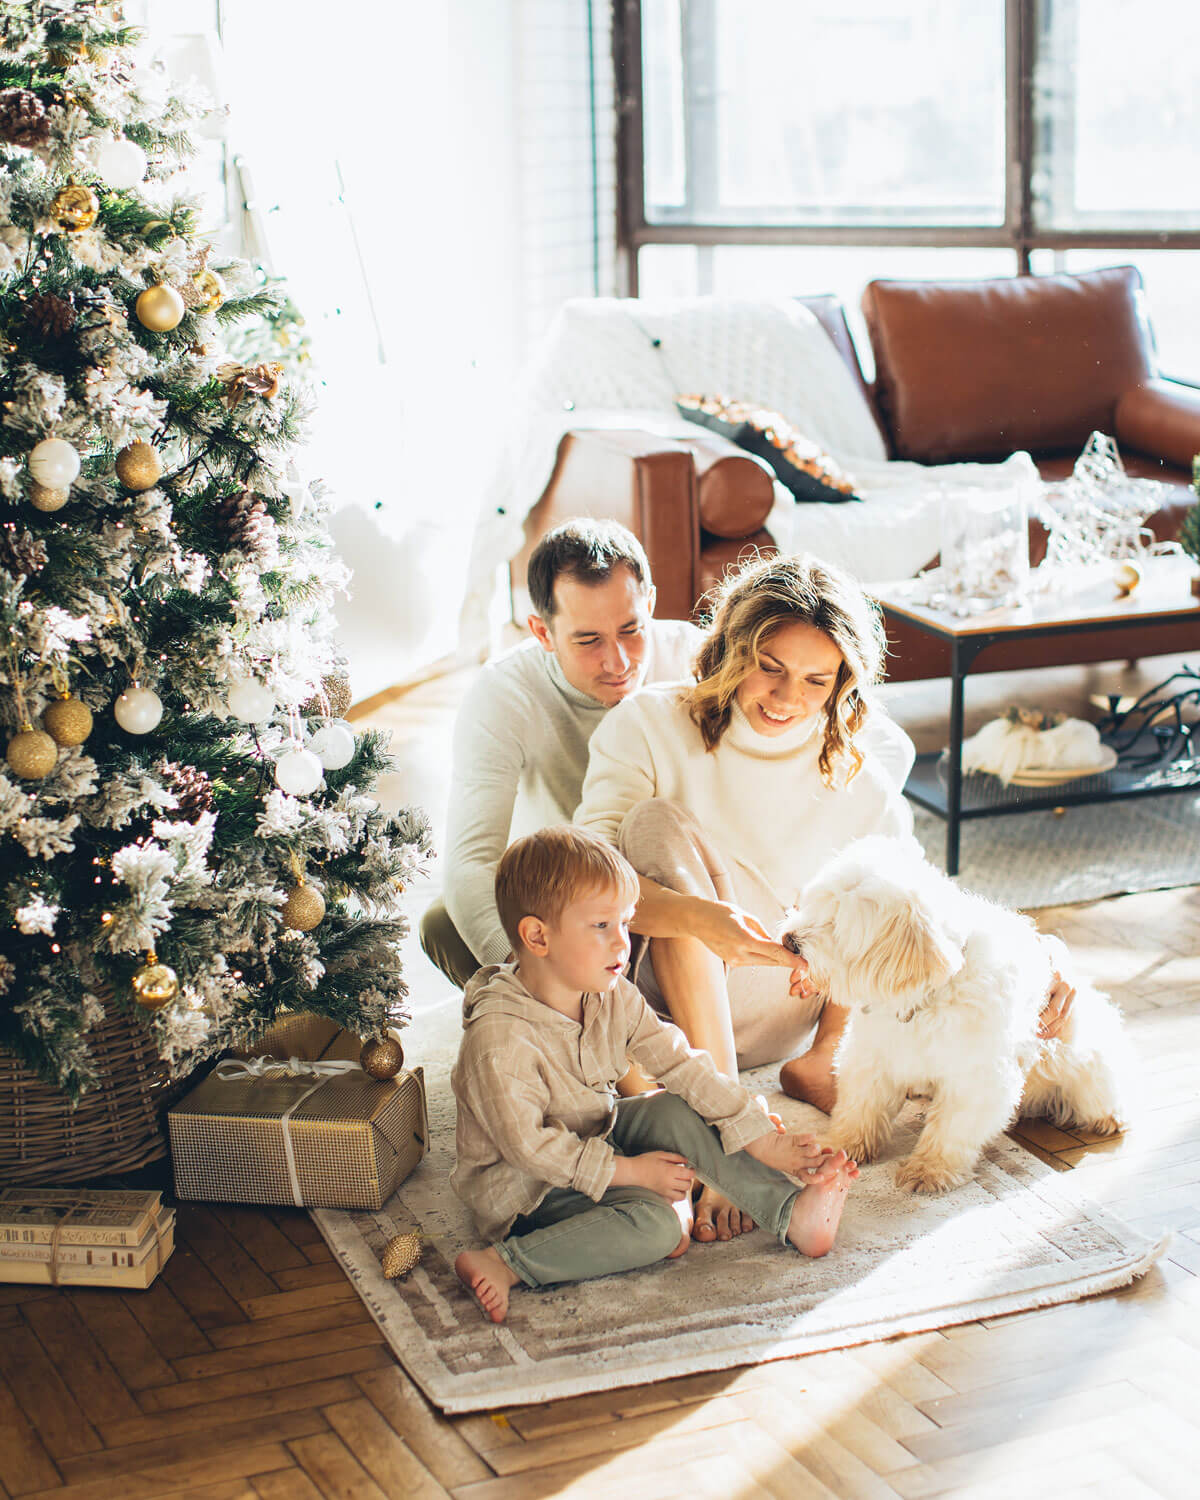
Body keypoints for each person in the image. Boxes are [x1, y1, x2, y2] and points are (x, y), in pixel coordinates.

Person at [575, 551, 1075, 1242]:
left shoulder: (861, 763)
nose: (786, 698)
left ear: (843, 680)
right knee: (648, 825)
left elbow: (922, 908)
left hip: (796, 995)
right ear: (727, 648)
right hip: (667, 999)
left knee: (870, 886)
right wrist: (698, 918)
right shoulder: (647, 723)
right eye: (770, 667)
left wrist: (1041, 954)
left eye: (816, 679)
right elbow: (580, 889)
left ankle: (826, 1060)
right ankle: (730, 1125)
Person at [450, 826, 859, 1324]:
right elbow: (529, 1149)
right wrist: (633, 1173)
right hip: (527, 1189)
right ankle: (506, 1264)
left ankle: (791, 1214)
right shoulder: (500, 1037)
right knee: (657, 1229)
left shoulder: (608, 993)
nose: (622, 942)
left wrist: (757, 1138)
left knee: (673, 1104)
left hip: (595, 1133)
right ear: (537, 936)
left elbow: (681, 1063)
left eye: (625, 922)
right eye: (601, 925)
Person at [420, 519, 702, 987]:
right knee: (443, 923)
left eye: (631, 629)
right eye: (588, 640)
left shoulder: (696, 659)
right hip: (570, 900)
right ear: (542, 632)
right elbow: (471, 862)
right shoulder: (503, 693)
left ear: (650, 603)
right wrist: (531, 978)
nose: (619, 662)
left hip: (674, 887)